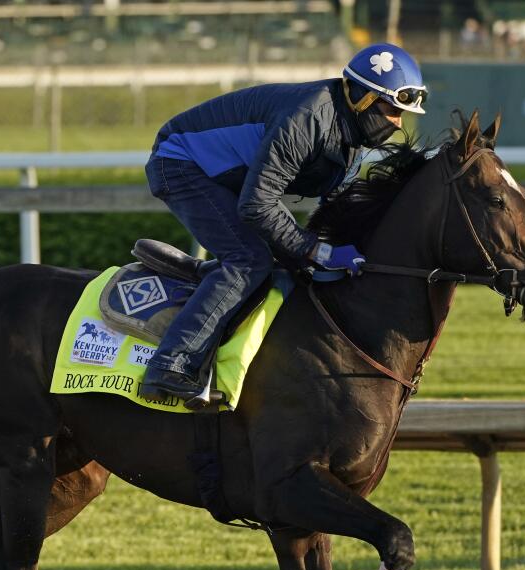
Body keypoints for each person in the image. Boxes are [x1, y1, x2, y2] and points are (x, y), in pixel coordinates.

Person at [139, 42, 428, 403]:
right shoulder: (307, 118)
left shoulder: (351, 137)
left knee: (294, 266)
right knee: (249, 259)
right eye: (391, 110)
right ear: (362, 97)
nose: (397, 123)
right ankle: (170, 366)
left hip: (229, 179)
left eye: (402, 114)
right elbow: (256, 205)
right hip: (179, 162)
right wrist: (317, 250)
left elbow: (331, 208)